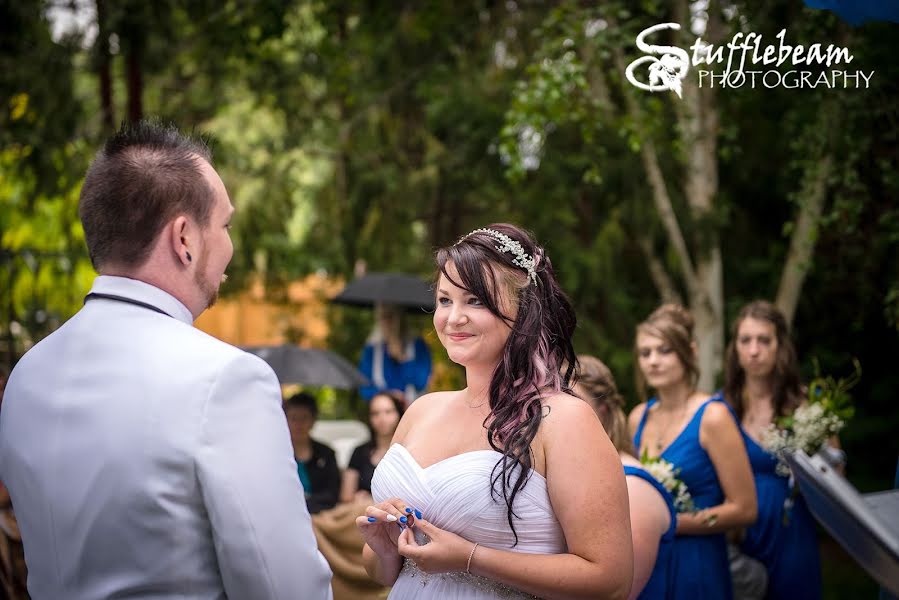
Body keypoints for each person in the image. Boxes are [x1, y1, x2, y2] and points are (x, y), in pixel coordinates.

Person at [0, 121, 332, 599]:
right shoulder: (226, 380)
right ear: (184, 239)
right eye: (224, 225)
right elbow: (285, 587)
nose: (229, 247)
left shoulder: (27, 374)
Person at [356, 224, 634, 599]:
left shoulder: (564, 420)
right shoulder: (421, 411)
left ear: (524, 310)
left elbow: (611, 581)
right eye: (444, 300)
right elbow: (382, 573)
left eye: (475, 300)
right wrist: (384, 547)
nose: (453, 318)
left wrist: (472, 558)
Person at [628, 303, 757, 600]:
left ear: (689, 352)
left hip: (698, 561)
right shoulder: (638, 418)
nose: (653, 361)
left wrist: (673, 523)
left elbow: (745, 508)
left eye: (664, 350)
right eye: (645, 353)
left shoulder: (713, 417)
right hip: (651, 560)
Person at [723, 300, 824, 600]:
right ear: (736, 348)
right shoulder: (721, 408)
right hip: (740, 536)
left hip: (791, 534)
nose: (754, 350)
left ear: (780, 346)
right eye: (746, 340)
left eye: (764, 340)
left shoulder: (804, 406)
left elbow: (834, 478)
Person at [574, 355, 675, 600]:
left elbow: (623, 592)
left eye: (573, 402)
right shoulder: (576, 476)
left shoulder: (633, 487)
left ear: (604, 410)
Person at [358, 302, 431, 403]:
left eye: (391, 317)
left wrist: (402, 359)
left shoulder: (418, 346)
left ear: (401, 318)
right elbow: (365, 389)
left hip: (412, 409)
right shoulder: (372, 351)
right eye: (383, 317)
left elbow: (421, 383)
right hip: (384, 412)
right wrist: (390, 395)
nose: (387, 322)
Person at [341, 390, 405, 503]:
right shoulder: (359, 451)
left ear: (399, 414)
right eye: (375, 413)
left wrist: (372, 500)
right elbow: (346, 496)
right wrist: (356, 498)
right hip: (358, 513)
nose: (382, 418)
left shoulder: (408, 451)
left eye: (388, 411)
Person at [285, 392, 341, 514]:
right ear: (285, 420)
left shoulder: (326, 453)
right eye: (294, 418)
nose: (299, 424)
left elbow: (332, 494)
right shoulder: (278, 454)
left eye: (304, 418)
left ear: (313, 420)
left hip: (323, 513)